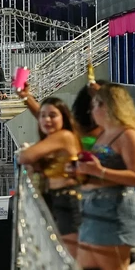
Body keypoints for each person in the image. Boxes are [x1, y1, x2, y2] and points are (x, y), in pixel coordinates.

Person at [18, 95, 82, 256]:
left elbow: (25, 157)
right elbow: (44, 118)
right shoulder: (61, 135)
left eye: (52, 116)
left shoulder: (63, 136)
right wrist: (25, 96)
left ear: (64, 117)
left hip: (68, 201)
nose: (46, 119)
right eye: (43, 116)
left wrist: (31, 154)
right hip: (61, 200)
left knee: (70, 257)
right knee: (65, 255)